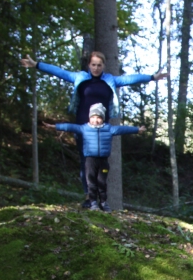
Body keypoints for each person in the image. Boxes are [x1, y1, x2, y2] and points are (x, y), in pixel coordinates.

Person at [22, 52, 166, 193]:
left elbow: (130, 79)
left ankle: (101, 198)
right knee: (86, 162)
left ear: (103, 65)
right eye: (93, 65)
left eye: (99, 65)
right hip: (83, 127)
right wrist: (36, 65)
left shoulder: (110, 80)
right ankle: (89, 196)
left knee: (101, 164)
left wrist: (152, 77)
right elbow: (59, 72)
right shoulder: (80, 77)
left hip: (102, 128)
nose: (96, 68)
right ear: (88, 65)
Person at [44, 103, 146, 211]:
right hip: (90, 160)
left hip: (103, 160)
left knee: (102, 182)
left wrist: (136, 129)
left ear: (102, 118)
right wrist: (54, 126)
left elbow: (122, 129)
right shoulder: (84, 128)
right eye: (93, 117)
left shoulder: (109, 129)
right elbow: (69, 127)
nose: (95, 120)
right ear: (89, 118)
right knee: (91, 182)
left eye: (98, 117)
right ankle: (93, 202)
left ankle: (103, 202)